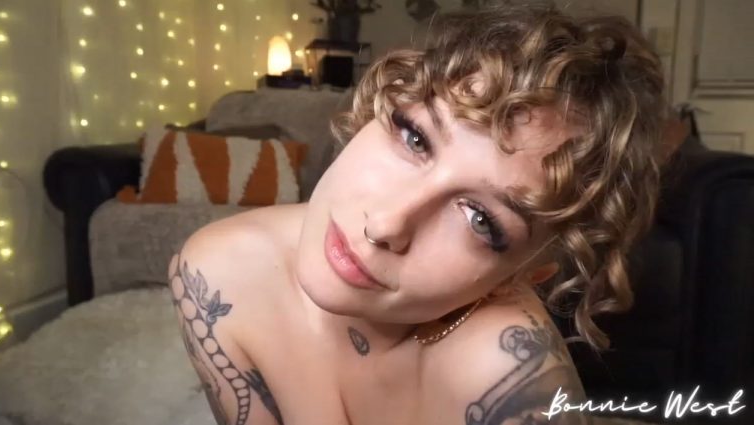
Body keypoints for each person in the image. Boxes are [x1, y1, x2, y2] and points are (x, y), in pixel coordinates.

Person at [168, 3, 666, 424]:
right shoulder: (216, 278)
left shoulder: (508, 382)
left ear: (525, 274)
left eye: (481, 220)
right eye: (415, 138)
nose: (386, 224)